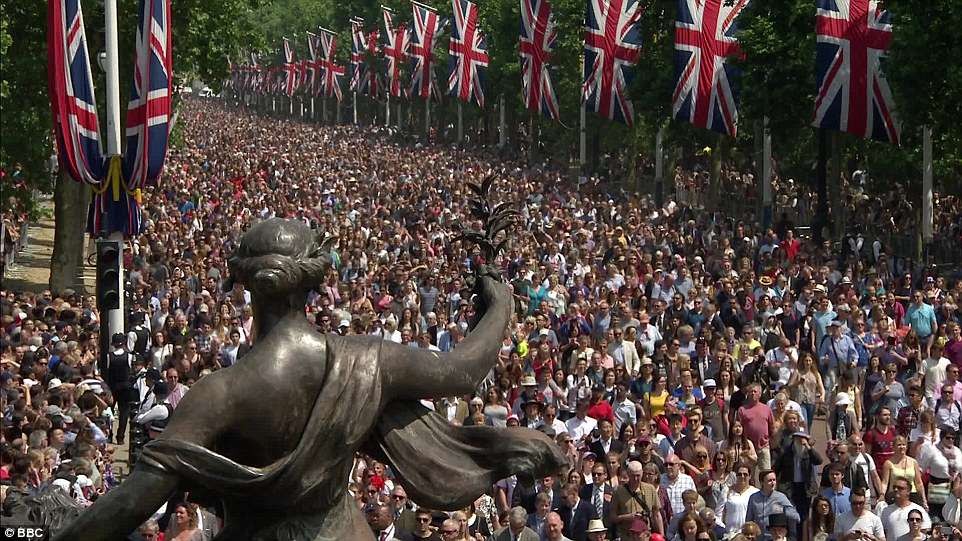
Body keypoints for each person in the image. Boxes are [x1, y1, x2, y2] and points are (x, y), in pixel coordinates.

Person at [611, 461, 664, 538]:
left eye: (638, 475)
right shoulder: (618, 492)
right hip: (627, 536)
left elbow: (657, 515)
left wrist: (662, 535)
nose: (635, 479)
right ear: (628, 474)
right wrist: (627, 517)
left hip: (645, 536)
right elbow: (612, 517)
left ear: (642, 473)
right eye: (632, 476)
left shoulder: (650, 489)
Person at [744, 470, 800, 536]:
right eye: (770, 480)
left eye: (774, 480)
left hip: (774, 537)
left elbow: (796, 517)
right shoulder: (753, 498)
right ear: (762, 482)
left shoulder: (781, 497)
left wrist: (783, 510)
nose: (773, 483)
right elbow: (749, 521)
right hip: (759, 537)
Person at [735, 383, 775, 473]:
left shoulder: (767, 409)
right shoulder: (742, 410)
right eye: (751, 392)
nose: (753, 393)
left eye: (755, 391)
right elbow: (738, 428)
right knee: (749, 475)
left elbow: (772, 427)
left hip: (764, 447)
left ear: (760, 394)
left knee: (766, 473)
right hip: (748, 448)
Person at [880, 436, 927, 510]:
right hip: (895, 495)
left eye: (903, 445)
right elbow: (884, 483)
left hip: (912, 495)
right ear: (893, 447)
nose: (901, 447)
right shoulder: (888, 463)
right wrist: (882, 495)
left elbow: (919, 483)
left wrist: (924, 500)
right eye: (899, 445)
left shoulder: (914, 462)